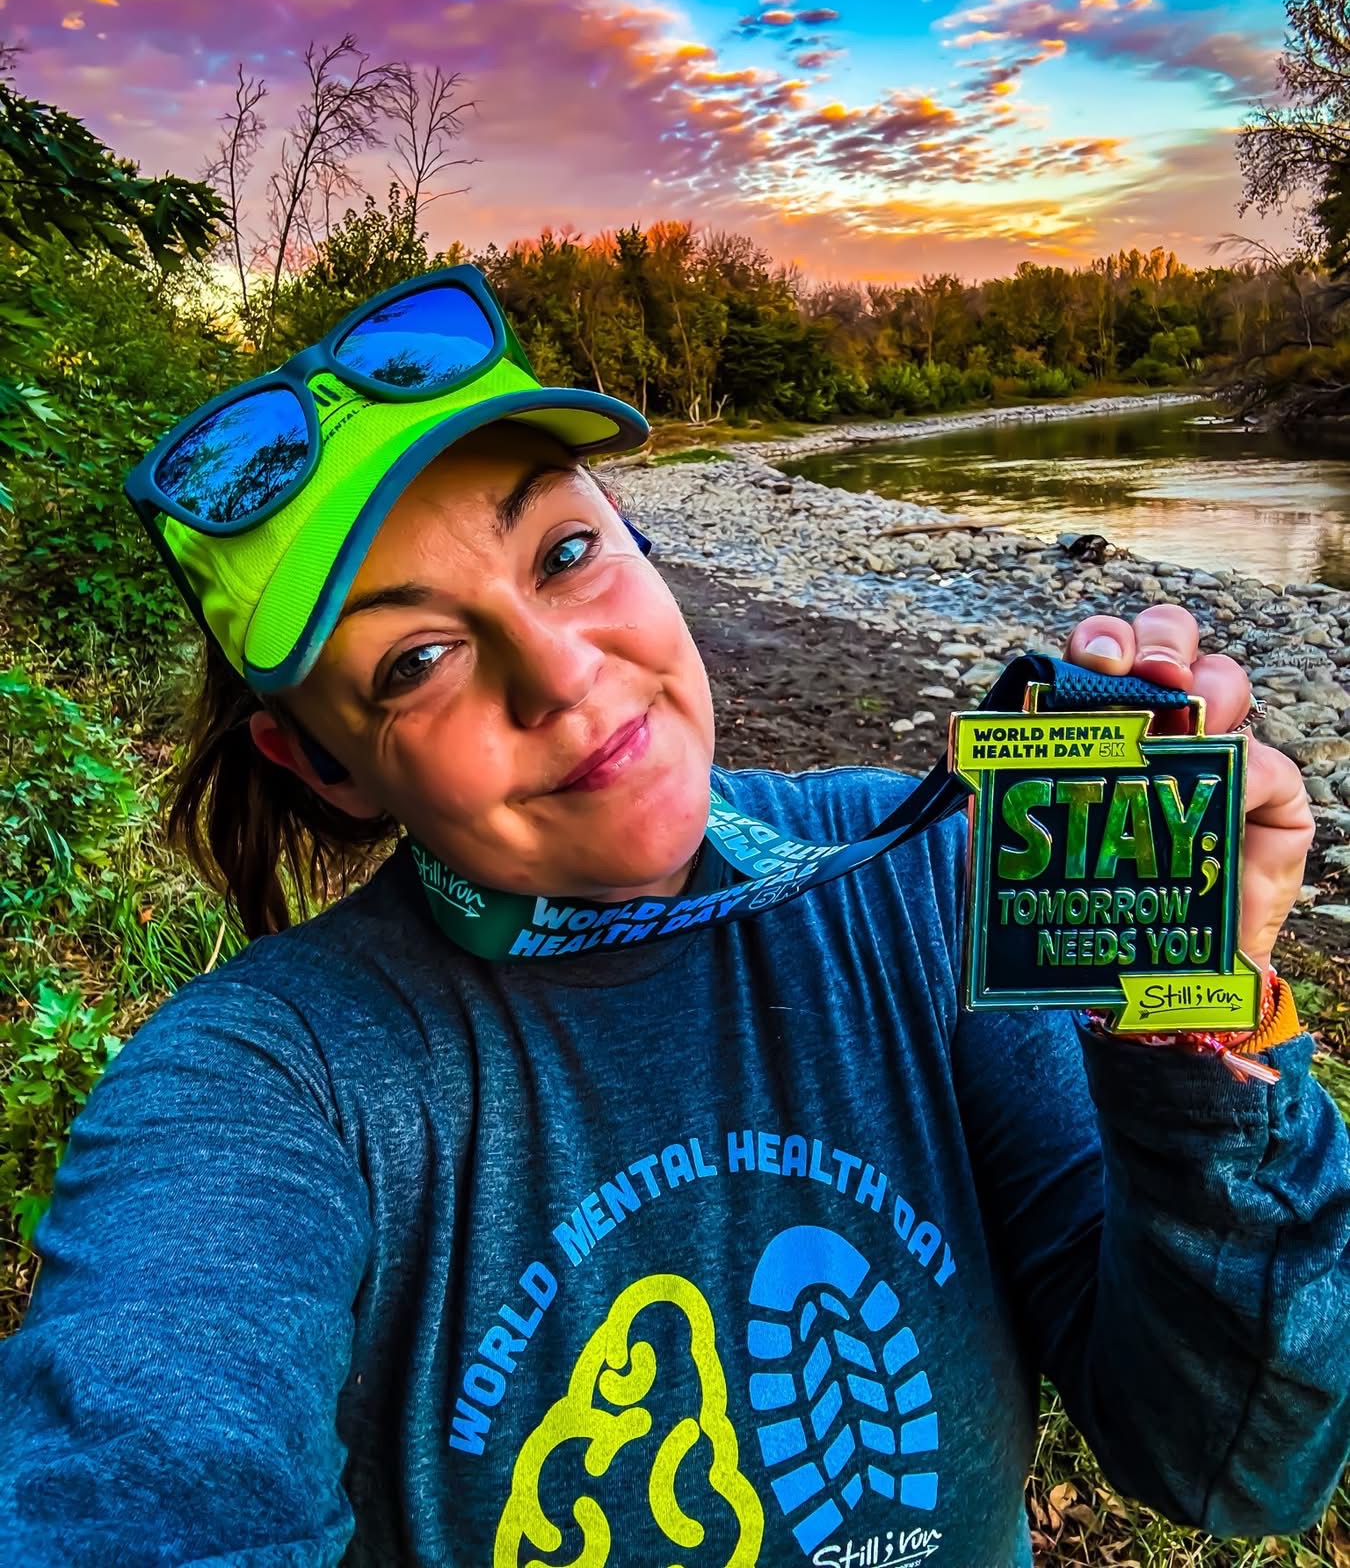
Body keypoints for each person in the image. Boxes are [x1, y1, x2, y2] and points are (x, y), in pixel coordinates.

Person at [1, 265, 1347, 1568]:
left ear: (640, 545)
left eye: (565, 552)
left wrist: (1183, 1011)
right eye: (416, 660)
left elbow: (1232, 1467)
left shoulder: (921, 881)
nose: (559, 674)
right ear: (321, 764)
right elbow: (147, 1461)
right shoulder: (266, 1082)